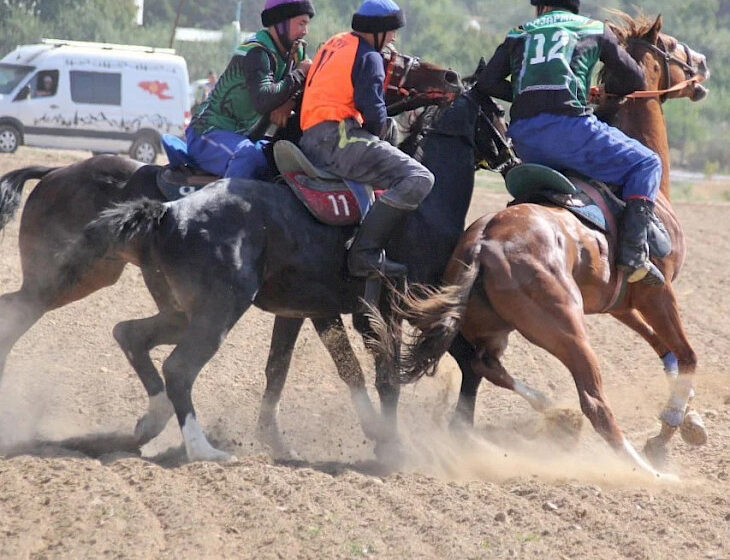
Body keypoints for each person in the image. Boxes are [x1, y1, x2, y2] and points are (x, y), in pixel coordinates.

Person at [476, 0, 665, 285]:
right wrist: (603, 91)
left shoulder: (519, 31)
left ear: (541, 6)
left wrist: (524, 92)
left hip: (523, 138)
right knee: (648, 162)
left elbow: (487, 83)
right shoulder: (593, 28)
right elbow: (634, 77)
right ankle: (633, 252)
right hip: (571, 132)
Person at [298, 0, 434, 278]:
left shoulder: (335, 43)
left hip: (309, 138)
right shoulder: (369, 57)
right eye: (392, 31)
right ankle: (365, 254)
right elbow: (374, 112)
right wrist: (382, 129)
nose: (394, 38)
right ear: (378, 30)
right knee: (420, 178)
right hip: (339, 140)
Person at [185, 0, 315, 180]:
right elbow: (264, 100)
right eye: (301, 23)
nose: (305, 31)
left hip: (243, 136)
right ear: (281, 22)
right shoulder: (257, 52)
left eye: (307, 24)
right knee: (248, 158)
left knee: (281, 158)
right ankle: (228, 208)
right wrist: (300, 73)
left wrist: (289, 101)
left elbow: (304, 88)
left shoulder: (296, 51)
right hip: (208, 131)